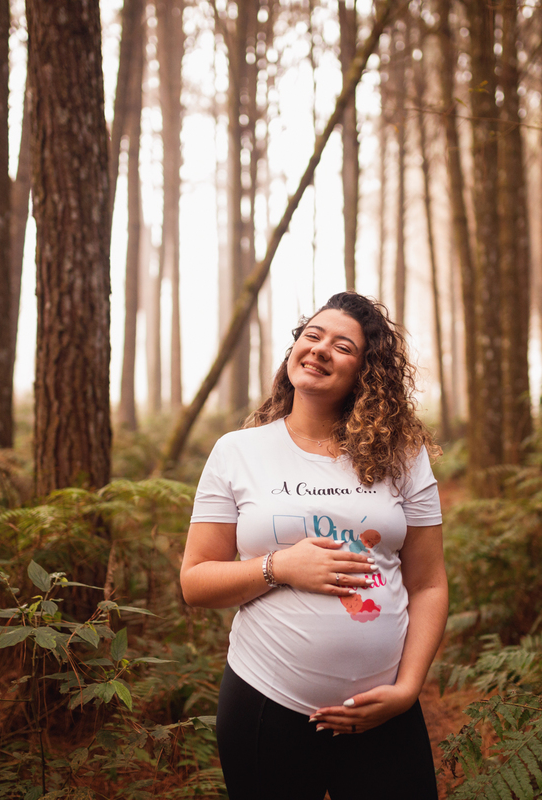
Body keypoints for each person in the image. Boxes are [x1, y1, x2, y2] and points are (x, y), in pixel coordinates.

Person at [180, 292, 448, 800]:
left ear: (368, 372)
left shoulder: (402, 453)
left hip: (384, 711)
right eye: (312, 336)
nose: (320, 349)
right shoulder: (238, 451)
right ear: (293, 353)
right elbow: (195, 582)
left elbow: (429, 583)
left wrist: (407, 690)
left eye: (342, 346)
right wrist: (279, 567)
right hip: (265, 701)